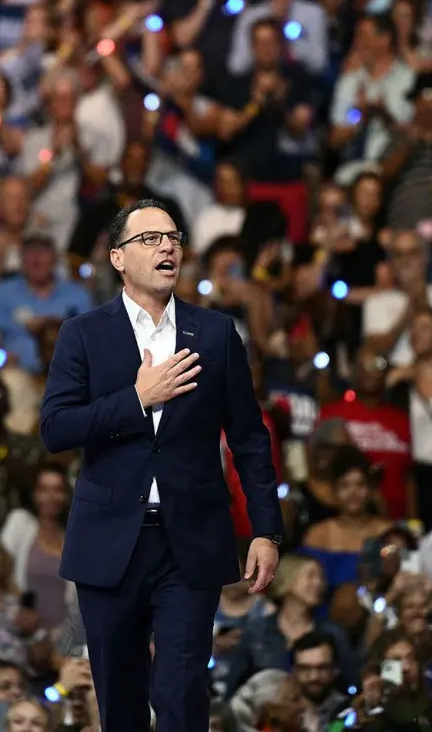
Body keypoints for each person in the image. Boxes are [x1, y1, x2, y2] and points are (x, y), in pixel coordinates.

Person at [40, 198, 283, 732]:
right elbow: (55, 429)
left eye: (173, 237)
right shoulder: (83, 334)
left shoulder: (215, 333)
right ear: (118, 258)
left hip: (189, 540)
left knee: (180, 693)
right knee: (120, 706)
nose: (167, 246)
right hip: (109, 543)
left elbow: (248, 436)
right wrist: (136, 399)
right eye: (150, 238)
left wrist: (266, 529)